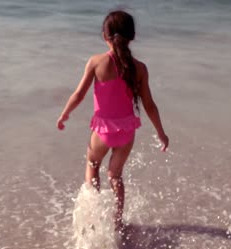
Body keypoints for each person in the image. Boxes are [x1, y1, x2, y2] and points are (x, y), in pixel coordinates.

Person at [56, 10, 169, 233]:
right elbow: (149, 105)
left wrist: (65, 114)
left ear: (105, 35)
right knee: (115, 175)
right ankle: (117, 221)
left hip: (103, 130)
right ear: (132, 37)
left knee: (93, 164)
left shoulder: (97, 62)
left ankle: (92, 217)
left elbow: (78, 95)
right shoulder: (140, 68)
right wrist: (161, 133)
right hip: (127, 131)